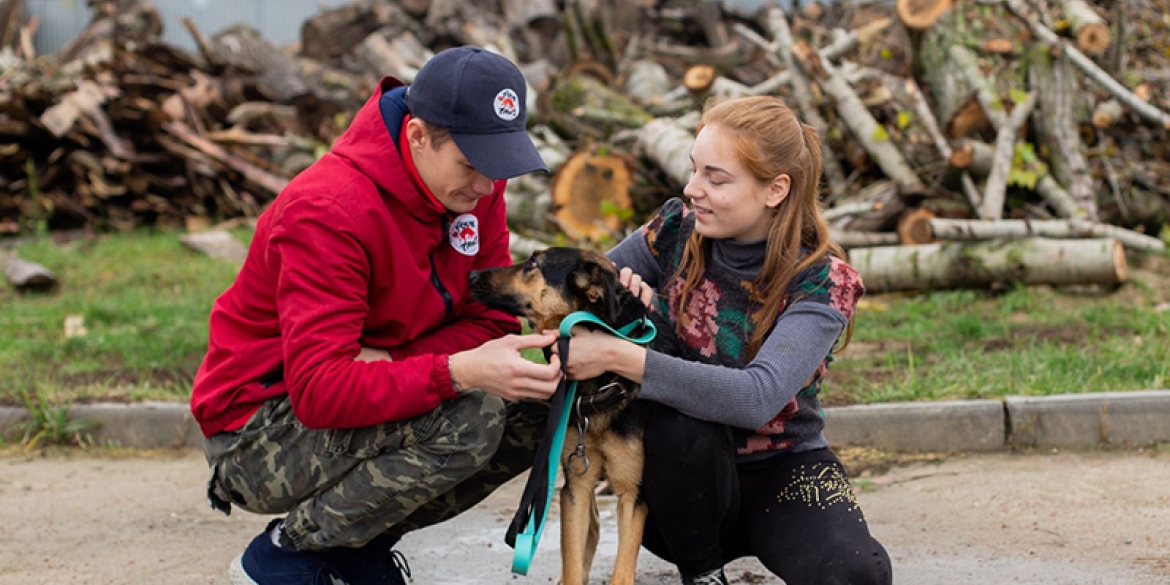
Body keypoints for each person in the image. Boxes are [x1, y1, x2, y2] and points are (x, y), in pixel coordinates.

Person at [190, 46, 565, 585]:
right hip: (256, 430)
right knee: (470, 415)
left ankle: (352, 545)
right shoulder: (328, 210)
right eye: (472, 164)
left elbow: (493, 322)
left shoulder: (472, 190)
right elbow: (321, 392)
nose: (487, 186)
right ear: (417, 136)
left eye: (498, 165)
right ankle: (283, 555)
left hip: (362, 388)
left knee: (536, 406)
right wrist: (456, 369)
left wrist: (393, 359)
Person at [558, 96, 892, 585]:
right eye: (694, 170)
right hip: (679, 484)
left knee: (857, 574)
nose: (694, 190)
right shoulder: (673, 231)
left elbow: (757, 397)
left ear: (776, 189)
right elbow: (575, 294)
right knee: (680, 424)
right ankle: (703, 572)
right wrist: (618, 312)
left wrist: (619, 353)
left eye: (716, 179)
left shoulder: (822, 281)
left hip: (785, 466)